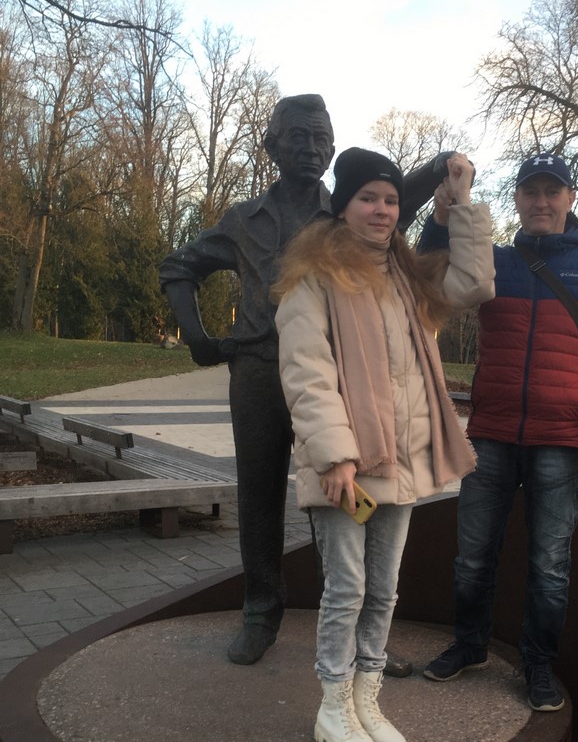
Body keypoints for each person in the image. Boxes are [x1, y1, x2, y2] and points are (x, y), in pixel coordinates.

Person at [159, 94, 450, 673]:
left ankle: (362, 629)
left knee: (348, 493)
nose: (311, 149)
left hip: (329, 373)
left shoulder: (342, 214)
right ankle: (260, 613)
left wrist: (441, 165)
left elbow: (399, 195)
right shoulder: (243, 220)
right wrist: (196, 336)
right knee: (258, 493)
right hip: (259, 370)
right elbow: (178, 266)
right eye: (298, 137)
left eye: (321, 139)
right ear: (271, 145)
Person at [273, 148, 495, 742]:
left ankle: (367, 699)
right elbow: (306, 371)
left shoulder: (406, 276)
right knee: (347, 588)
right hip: (348, 464)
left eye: (391, 200)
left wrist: (460, 205)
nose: (381, 210)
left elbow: (474, 284)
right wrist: (334, 457)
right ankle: (333, 706)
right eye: (368, 197)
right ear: (343, 205)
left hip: (400, 459)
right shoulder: (314, 277)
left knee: (384, 590)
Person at [419, 153, 578, 712]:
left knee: (549, 566)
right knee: (472, 557)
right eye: (530, 192)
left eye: (552, 191)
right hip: (491, 434)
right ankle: (470, 645)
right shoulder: (493, 263)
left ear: (570, 199)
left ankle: (538, 665)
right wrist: (440, 218)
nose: (541, 201)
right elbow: (426, 278)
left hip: (562, 442)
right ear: (517, 199)